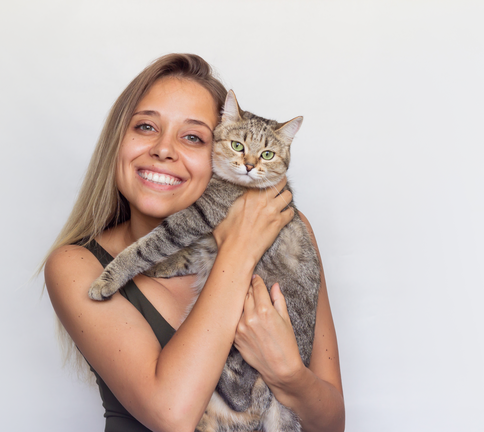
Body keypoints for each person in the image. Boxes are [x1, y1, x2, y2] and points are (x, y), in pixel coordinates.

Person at [44, 53, 344, 432]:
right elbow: (174, 416)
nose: (164, 150)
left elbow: (331, 424)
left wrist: (288, 375)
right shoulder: (76, 265)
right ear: (117, 141)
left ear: (213, 150)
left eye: (192, 136)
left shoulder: (291, 230)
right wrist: (239, 248)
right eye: (146, 127)